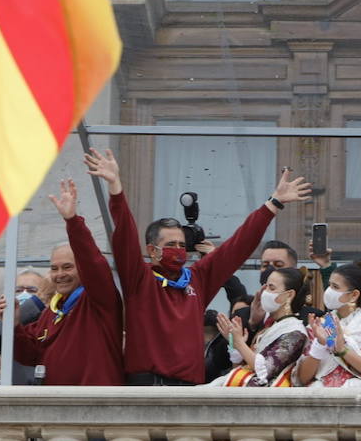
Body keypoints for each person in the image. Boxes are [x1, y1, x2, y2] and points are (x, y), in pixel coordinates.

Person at [87, 147, 311, 386]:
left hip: (188, 388)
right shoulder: (138, 279)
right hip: (145, 385)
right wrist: (115, 189)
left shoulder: (197, 278)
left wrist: (273, 204)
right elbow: (125, 238)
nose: (178, 249)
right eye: (170, 244)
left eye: (182, 244)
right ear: (152, 251)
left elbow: (237, 247)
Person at [13, 179, 124, 386]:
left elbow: (93, 261)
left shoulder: (99, 301)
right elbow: (29, 354)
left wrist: (73, 221)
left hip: (96, 405)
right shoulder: (51, 311)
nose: (59, 274)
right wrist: (15, 324)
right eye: (54, 268)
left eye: (67, 267)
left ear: (82, 269)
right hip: (56, 408)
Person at [295, 261, 361, 388]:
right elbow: (302, 379)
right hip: (321, 395)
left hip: (356, 395)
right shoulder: (320, 324)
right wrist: (319, 345)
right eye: (329, 285)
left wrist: (343, 350)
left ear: (354, 295)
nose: (329, 291)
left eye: (335, 287)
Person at [211, 267, 309, 386]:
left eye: (271, 288)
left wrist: (239, 343)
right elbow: (240, 370)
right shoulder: (272, 325)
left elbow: (265, 369)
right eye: (265, 286)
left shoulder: (295, 332)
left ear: (289, 295)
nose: (265, 292)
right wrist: (234, 342)